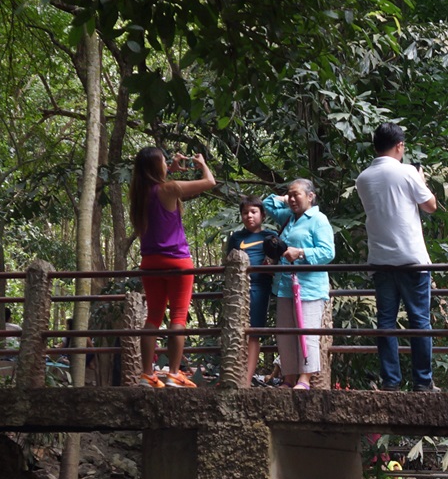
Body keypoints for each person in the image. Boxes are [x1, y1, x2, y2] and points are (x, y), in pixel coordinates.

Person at [357, 123, 438, 391]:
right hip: (411, 257)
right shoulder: (407, 172)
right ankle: (422, 382)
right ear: (399, 146)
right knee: (419, 320)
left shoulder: (363, 178)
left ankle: (391, 381)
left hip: (380, 259)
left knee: (386, 321)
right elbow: (430, 206)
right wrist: (421, 179)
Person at [129, 147, 218, 387]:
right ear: (155, 167)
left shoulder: (139, 194)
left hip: (150, 262)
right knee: (178, 315)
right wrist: (201, 164)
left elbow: (161, 187)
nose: (167, 164)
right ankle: (174, 373)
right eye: (163, 162)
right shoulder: (170, 189)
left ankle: (147, 374)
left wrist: (170, 170)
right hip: (177, 260)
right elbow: (210, 182)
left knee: (153, 317)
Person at [262, 179, 335, 390]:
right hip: (285, 285)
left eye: (297, 195)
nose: (292, 199)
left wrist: (301, 253)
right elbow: (267, 203)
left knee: (307, 332)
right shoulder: (289, 217)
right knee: (285, 332)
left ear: (310, 196)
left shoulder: (318, 220)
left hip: (309, 286)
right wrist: (286, 198)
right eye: (290, 195)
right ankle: (289, 377)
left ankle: (305, 379)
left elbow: (328, 252)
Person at [227, 198, 283, 385]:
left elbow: (277, 261)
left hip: (260, 289)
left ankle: (247, 378)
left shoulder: (271, 236)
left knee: (254, 333)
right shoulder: (235, 238)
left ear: (262, 215)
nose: (249, 216)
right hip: (237, 290)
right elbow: (228, 263)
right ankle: (232, 374)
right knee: (235, 331)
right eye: (245, 213)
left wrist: (271, 264)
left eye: (253, 212)